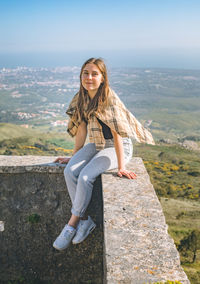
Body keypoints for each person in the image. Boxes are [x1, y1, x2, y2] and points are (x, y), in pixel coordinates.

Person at [53, 57, 154, 250]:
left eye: (94, 74)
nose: (89, 77)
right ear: (81, 75)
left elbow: (117, 134)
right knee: (69, 171)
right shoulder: (80, 98)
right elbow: (82, 131)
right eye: (85, 73)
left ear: (102, 78)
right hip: (98, 144)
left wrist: (122, 166)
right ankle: (85, 220)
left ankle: (72, 223)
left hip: (119, 147)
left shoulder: (108, 98)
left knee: (85, 176)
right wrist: (74, 157)